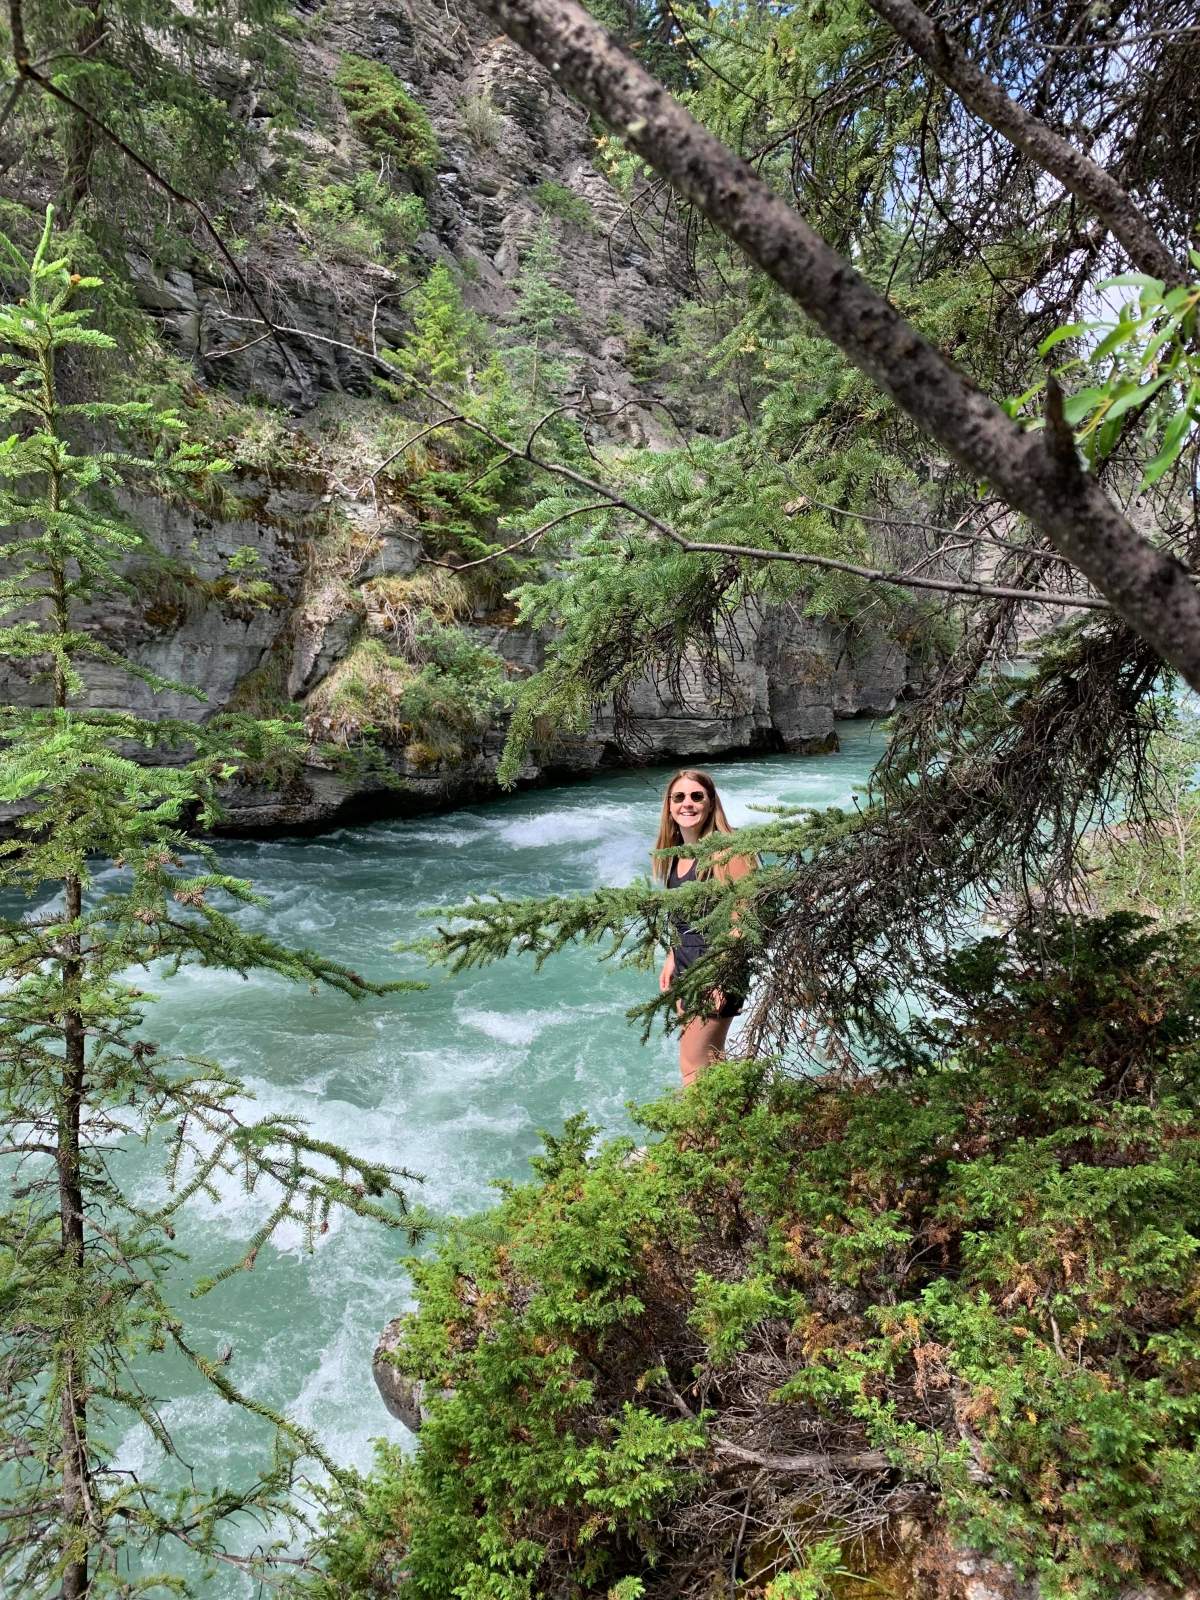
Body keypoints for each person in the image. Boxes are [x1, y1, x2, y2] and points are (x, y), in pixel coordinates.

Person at [654, 768, 755, 1087]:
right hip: (688, 964)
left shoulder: (728, 851)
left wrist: (721, 976)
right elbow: (683, 914)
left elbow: (745, 918)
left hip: (718, 966)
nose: (688, 803)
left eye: (697, 796)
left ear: (711, 803)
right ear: (669, 806)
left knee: (695, 1065)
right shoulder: (675, 855)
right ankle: (726, 1132)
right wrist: (673, 954)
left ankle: (698, 1137)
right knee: (708, 1061)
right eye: (679, 797)